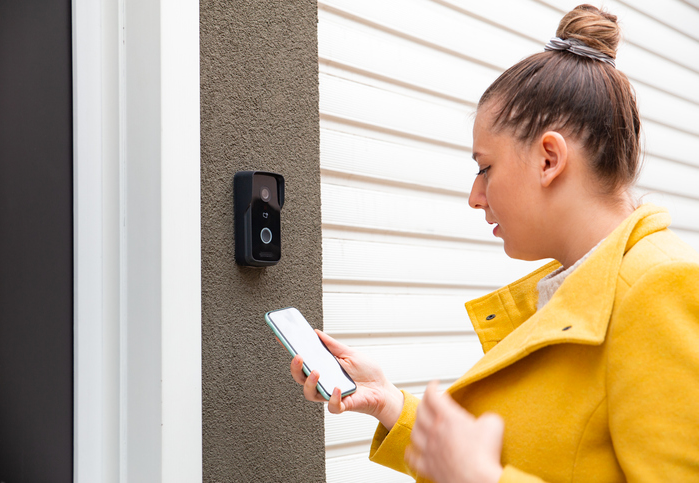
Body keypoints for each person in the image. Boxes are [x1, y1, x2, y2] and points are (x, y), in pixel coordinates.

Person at [289, 4, 699, 482]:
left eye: (485, 167)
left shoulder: (659, 287)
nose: (474, 196)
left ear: (549, 159)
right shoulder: (579, 287)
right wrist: (389, 401)